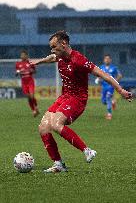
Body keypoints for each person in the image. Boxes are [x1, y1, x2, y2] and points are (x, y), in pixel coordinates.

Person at [30, 31, 132, 173]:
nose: (52, 50)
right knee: (43, 127)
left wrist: (120, 90)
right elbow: (52, 57)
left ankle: (87, 150)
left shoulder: (78, 59)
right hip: (64, 97)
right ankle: (58, 164)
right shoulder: (59, 56)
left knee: (55, 123)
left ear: (64, 44)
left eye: (54, 46)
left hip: (77, 99)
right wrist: (39, 62)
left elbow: (104, 75)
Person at [95, 54, 122, 120]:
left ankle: (109, 114)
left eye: (108, 59)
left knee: (108, 97)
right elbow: (98, 75)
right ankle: (113, 102)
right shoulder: (101, 67)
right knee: (104, 101)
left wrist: (115, 82)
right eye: (105, 59)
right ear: (104, 60)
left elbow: (120, 75)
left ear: (110, 60)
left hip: (110, 86)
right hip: (104, 86)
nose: (107, 60)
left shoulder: (114, 68)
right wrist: (98, 79)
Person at [16, 50, 39, 117]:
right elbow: (16, 73)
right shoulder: (18, 64)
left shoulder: (30, 63)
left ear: (26, 56)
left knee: (32, 96)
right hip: (24, 83)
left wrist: (32, 70)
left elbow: (35, 71)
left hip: (30, 81)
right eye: (21, 55)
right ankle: (34, 110)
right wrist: (18, 72)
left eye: (23, 55)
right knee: (28, 97)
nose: (22, 56)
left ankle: (36, 107)